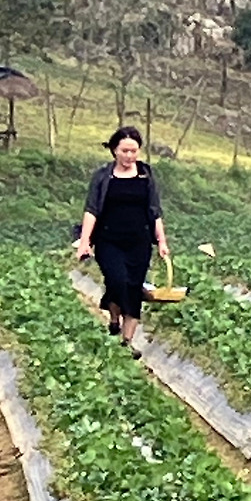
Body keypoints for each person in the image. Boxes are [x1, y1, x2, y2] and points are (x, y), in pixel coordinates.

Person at [76, 126, 169, 354]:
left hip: (139, 241)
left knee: (134, 288)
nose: (129, 156)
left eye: (133, 151)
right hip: (109, 240)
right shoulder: (103, 176)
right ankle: (114, 317)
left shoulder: (145, 175)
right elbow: (92, 209)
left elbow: (154, 210)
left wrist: (162, 241)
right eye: (124, 151)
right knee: (117, 280)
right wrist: (84, 241)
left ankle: (126, 343)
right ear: (114, 150)